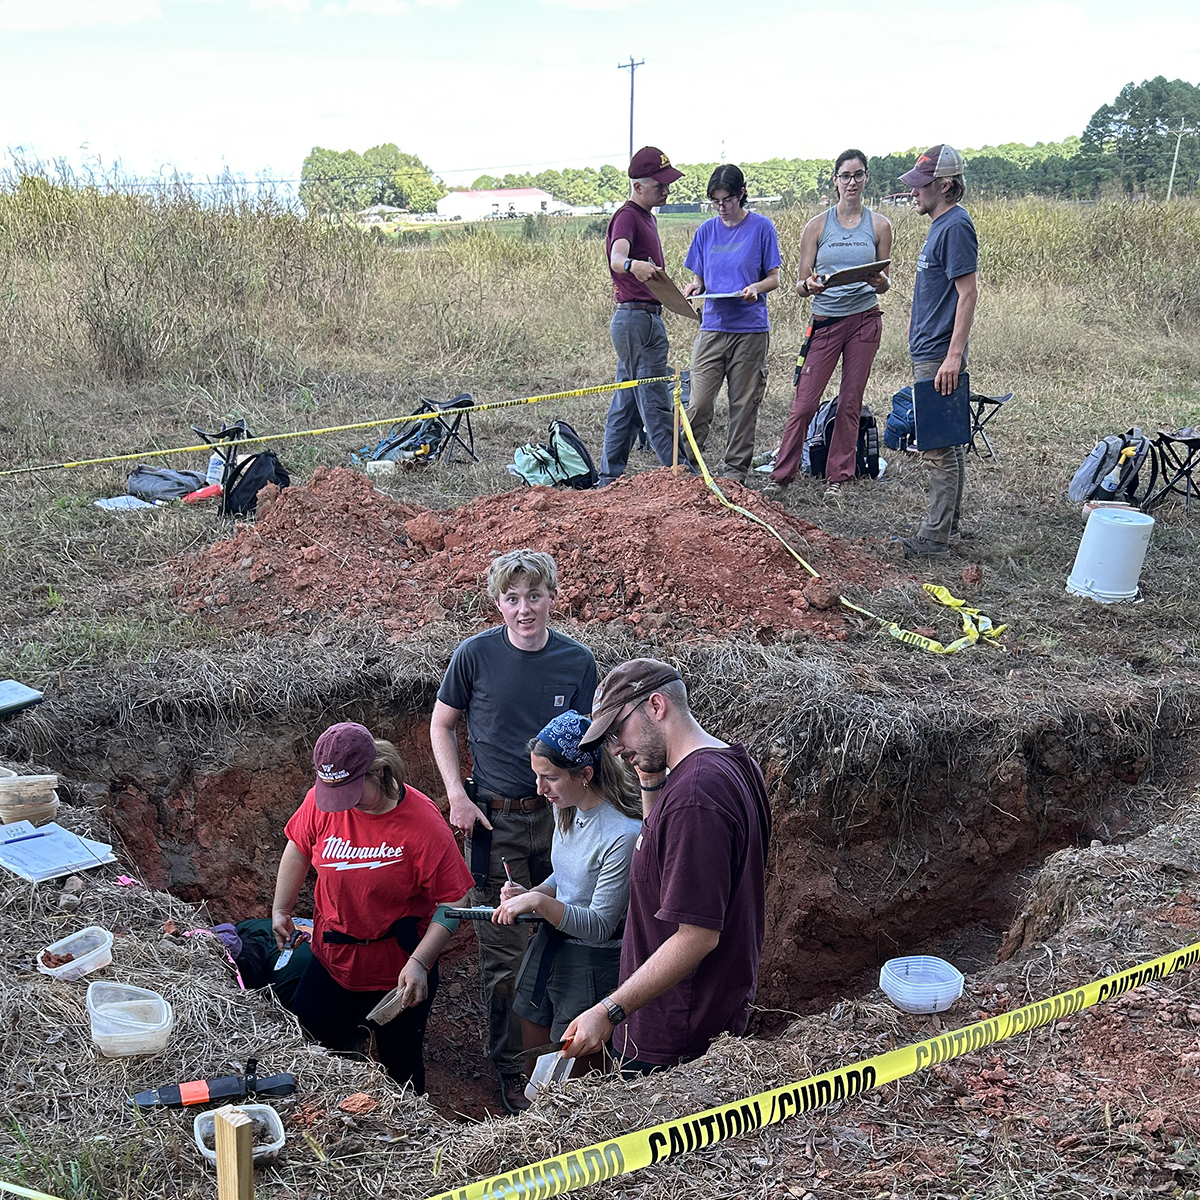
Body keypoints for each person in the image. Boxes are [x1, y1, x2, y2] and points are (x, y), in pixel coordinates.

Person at [429, 549, 597, 1112]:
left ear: (553, 596)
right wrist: (456, 794)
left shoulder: (576, 663)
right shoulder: (474, 656)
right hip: (494, 821)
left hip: (559, 821)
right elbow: (442, 723)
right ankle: (510, 1071)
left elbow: (589, 748)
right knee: (502, 952)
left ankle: (564, 1058)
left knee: (565, 934)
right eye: (512, 598)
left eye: (534, 596)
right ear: (498, 602)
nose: (523, 609)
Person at [561, 660, 771, 1072]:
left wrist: (609, 1011)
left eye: (617, 730)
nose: (616, 749)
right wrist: (650, 778)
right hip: (699, 1013)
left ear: (656, 705)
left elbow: (697, 937)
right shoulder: (731, 764)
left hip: (676, 1029)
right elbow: (653, 843)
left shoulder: (695, 796)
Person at [271, 722, 473, 1092]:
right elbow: (299, 845)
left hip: (395, 972)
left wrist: (420, 962)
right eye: (331, 792)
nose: (339, 804)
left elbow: (454, 899)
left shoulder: (423, 825)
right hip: (331, 959)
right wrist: (281, 908)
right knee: (308, 1053)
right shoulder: (322, 802)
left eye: (350, 792)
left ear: (380, 772)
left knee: (402, 1069)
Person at [492, 710, 642, 1076]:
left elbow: (600, 926)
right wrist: (531, 892)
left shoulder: (622, 834)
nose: (540, 790)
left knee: (569, 1080)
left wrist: (541, 903)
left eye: (550, 778)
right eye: (537, 776)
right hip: (550, 947)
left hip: (591, 963)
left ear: (585, 774)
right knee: (535, 1066)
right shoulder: (567, 810)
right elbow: (566, 875)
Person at [765, 149, 892, 502]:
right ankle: (782, 474)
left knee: (850, 401)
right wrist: (811, 285)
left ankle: (838, 476)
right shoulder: (817, 226)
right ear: (835, 180)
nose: (851, 182)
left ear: (866, 178)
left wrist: (880, 282)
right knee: (804, 403)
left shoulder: (880, 225)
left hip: (865, 320)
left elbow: (885, 280)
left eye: (858, 175)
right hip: (826, 321)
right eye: (845, 176)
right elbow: (800, 284)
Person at [898, 145, 978, 558]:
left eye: (921, 185)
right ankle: (950, 525)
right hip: (929, 347)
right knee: (949, 441)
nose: (914, 192)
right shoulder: (940, 225)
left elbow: (968, 294)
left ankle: (933, 538)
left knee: (936, 447)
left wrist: (952, 356)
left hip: (938, 353)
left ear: (945, 185)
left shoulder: (955, 227)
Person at [681, 165, 781, 483]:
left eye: (727, 200)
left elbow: (774, 278)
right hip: (713, 324)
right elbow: (699, 274)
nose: (722, 208)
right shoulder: (706, 231)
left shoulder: (761, 228)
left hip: (749, 328)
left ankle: (735, 470)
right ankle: (687, 461)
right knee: (698, 401)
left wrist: (756, 289)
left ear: (741, 195)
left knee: (744, 402)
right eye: (715, 201)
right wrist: (696, 286)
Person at [598, 145, 684, 486]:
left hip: (643, 318)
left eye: (667, 184)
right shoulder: (628, 216)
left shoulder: (646, 217)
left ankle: (608, 479)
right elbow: (617, 258)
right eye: (659, 185)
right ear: (638, 186)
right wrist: (635, 265)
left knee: (628, 404)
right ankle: (680, 477)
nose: (666, 190)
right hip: (636, 321)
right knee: (655, 401)